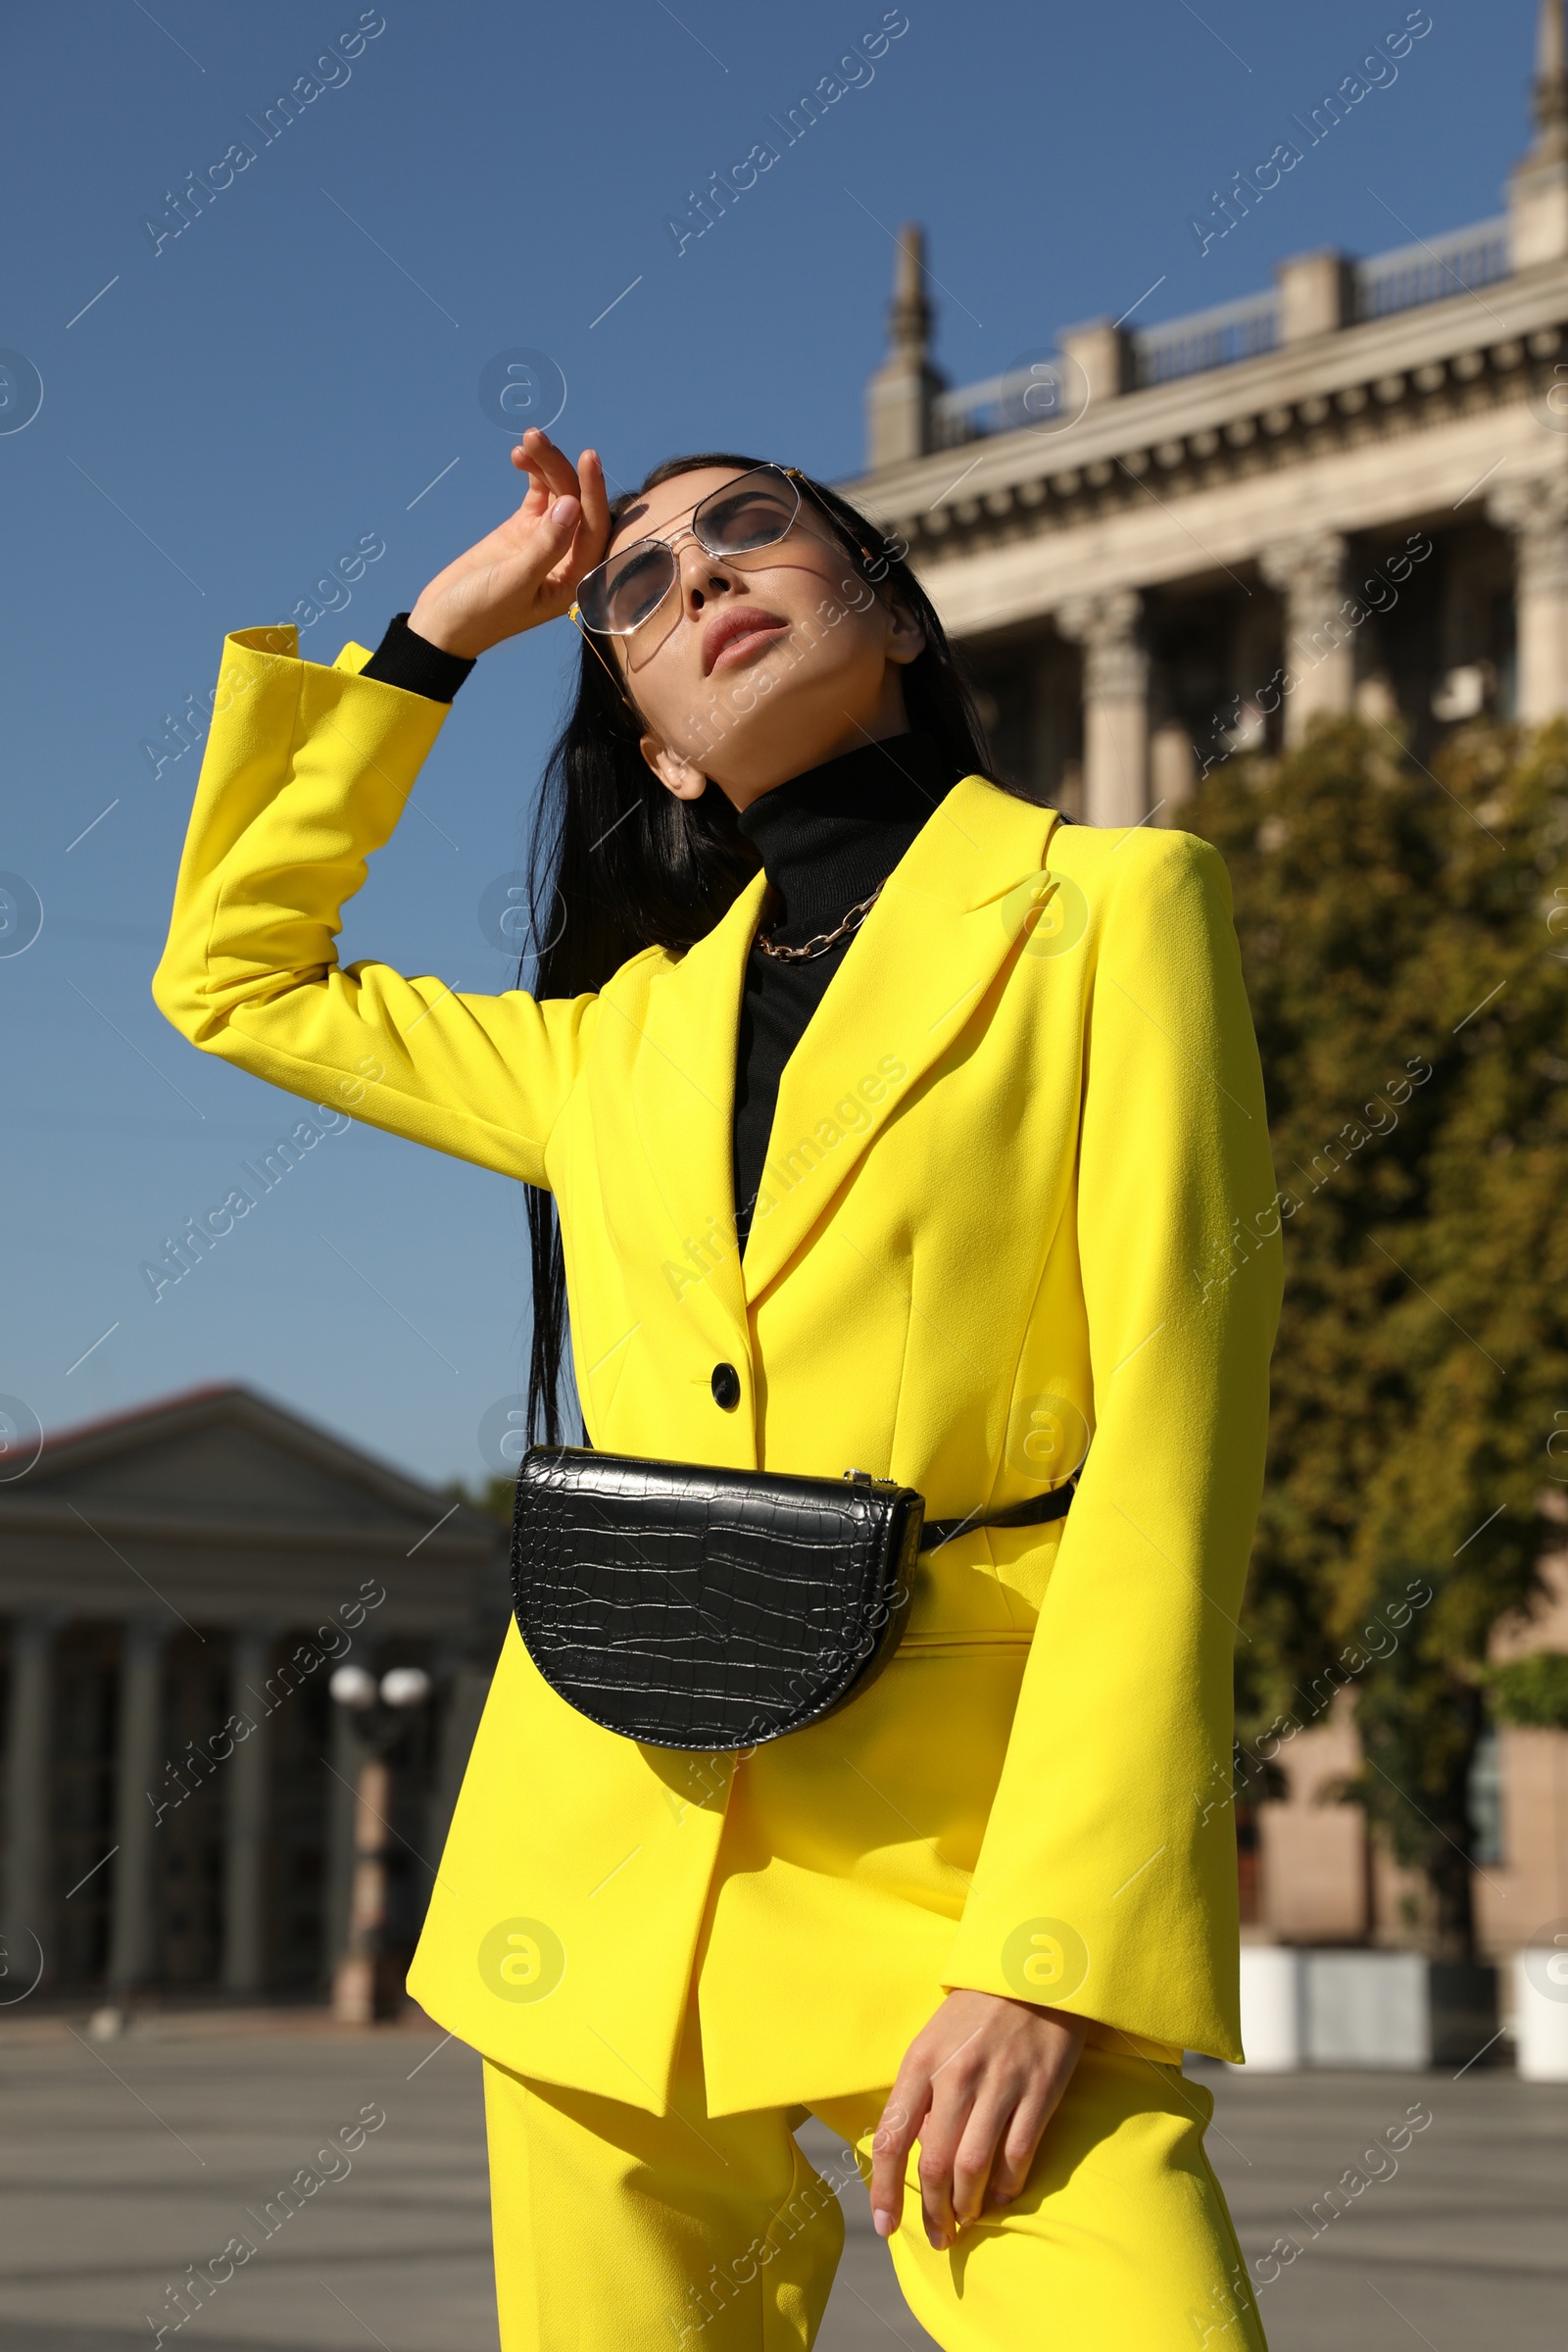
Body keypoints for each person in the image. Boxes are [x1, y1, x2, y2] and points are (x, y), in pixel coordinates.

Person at [153, 426, 1281, 2349]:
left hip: (969, 1874)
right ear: (658, 745)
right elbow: (237, 976)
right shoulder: (612, 1049)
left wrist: (1055, 1950)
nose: (700, 581)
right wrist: (437, 635)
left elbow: (1177, 1453)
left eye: (751, 532)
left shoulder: (1112, 910)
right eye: (637, 590)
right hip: (597, 1875)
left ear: (896, 615)